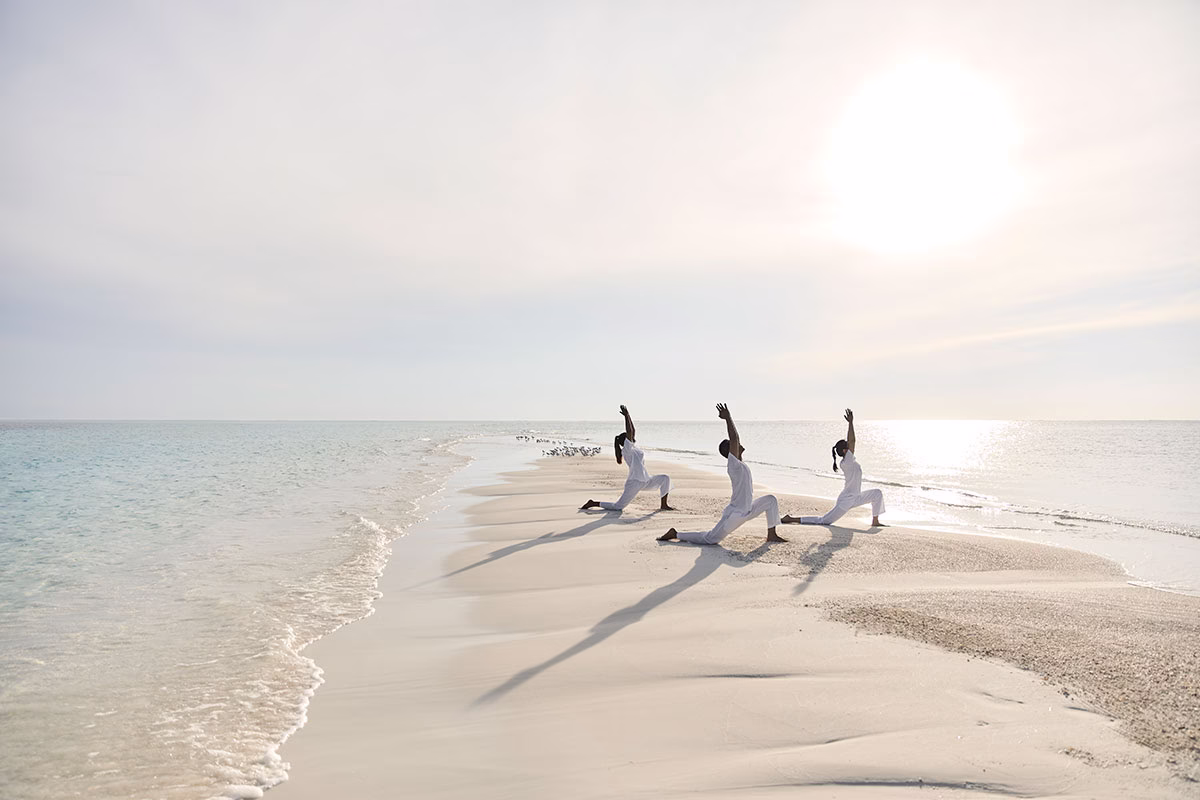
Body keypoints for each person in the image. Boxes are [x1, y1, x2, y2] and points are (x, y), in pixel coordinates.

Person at [658, 404, 786, 544]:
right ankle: (676, 533)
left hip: (748, 509)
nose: (738, 444)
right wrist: (728, 418)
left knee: (770, 500)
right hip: (735, 514)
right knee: (711, 539)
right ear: (730, 450)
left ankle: (772, 535)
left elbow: (736, 441)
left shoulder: (740, 464)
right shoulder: (733, 465)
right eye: (733, 444)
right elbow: (735, 438)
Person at [782, 408, 885, 527]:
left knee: (877, 494)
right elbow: (853, 441)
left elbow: (851, 442)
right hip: (846, 500)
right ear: (845, 450)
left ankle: (875, 521)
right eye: (848, 446)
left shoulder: (848, 461)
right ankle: (791, 519)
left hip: (856, 497)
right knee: (824, 521)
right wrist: (851, 423)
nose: (851, 447)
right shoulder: (848, 461)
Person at [580, 405, 674, 512]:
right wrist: (626, 416)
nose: (633, 436)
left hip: (646, 480)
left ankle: (664, 505)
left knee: (665, 478)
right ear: (625, 441)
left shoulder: (634, 447)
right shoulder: (627, 450)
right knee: (618, 507)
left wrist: (629, 415)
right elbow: (630, 431)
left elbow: (632, 430)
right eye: (630, 437)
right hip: (634, 482)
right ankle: (593, 503)